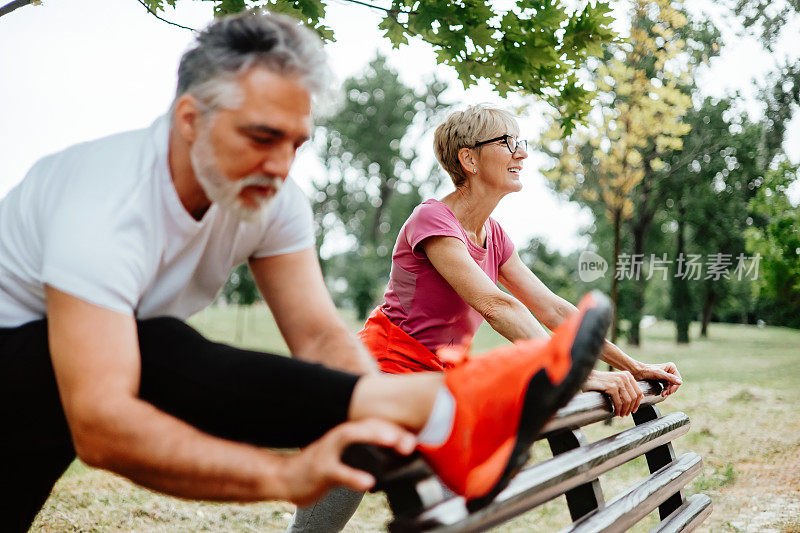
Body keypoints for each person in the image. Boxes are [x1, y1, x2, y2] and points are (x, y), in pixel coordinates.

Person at [0, 11, 614, 532]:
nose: (280, 165)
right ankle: (447, 409)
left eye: (297, 142)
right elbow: (102, 427)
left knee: (158, 343)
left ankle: (447, 416)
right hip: (17, 364)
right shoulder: (102, 203)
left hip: (68, 366)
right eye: (262, 136)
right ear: (190, 119)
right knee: (155, 347)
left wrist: (376, 414)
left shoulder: (273, 197)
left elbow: (320, 340)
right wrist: (285, 475)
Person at [290, 105, 684, 531]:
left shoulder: (493, 234)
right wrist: (575, 373)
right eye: (508, 142)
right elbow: (497, 306)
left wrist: (632, 365)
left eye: (521, 143)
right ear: (469, 159)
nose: (522, 154)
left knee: (451, 519)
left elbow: (553, 309)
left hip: (435, 392)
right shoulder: (432, 220)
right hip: (377, 381)